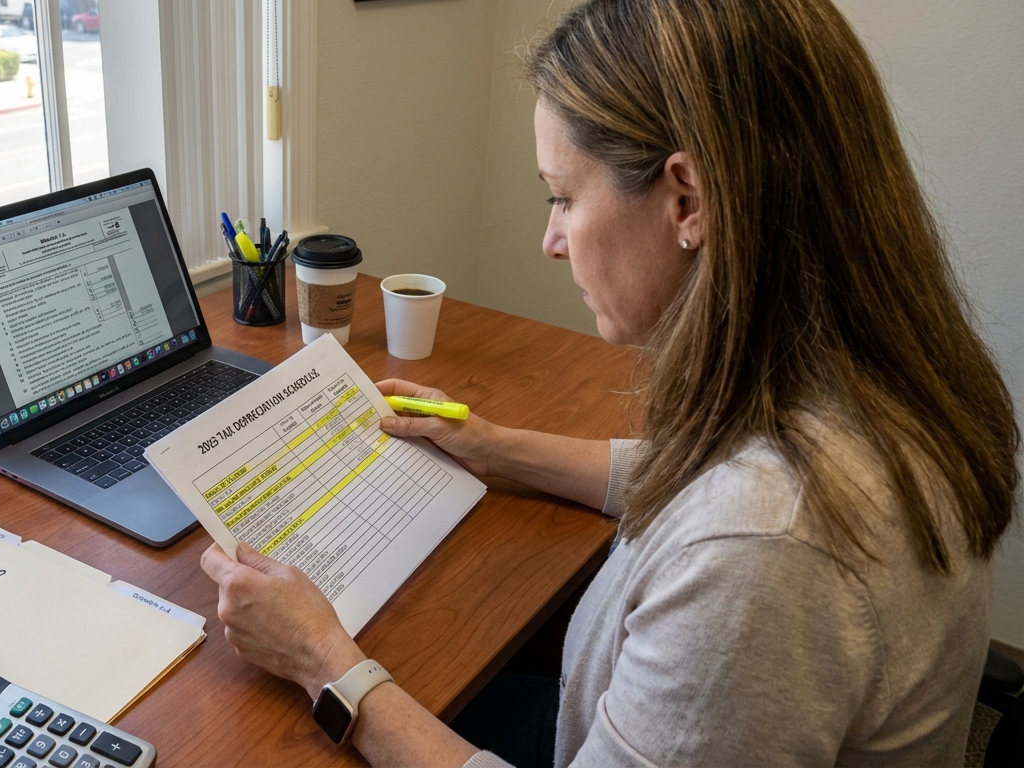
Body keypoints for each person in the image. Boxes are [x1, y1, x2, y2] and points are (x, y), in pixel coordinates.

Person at [200, 0, 1020, 764]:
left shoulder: (762, 549)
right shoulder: (867, 378)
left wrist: (324, 663)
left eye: (562, 197)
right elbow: (695, 477)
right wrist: (494, 447)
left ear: (687, 201)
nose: (551, 240)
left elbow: (733, 522)